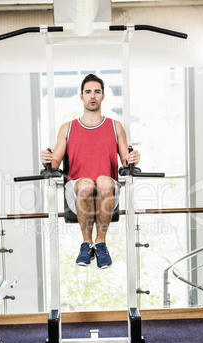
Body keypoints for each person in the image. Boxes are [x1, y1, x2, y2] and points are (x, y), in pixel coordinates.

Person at [41, 74, 140, 269]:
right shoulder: (67, 128)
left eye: (97, 92)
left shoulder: (115, 126)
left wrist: (133, 158)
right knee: (86, 184)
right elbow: (54, 163)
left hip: (108, 188)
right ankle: (86, 244)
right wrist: (46, 158)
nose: (92, 96)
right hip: (76, 188)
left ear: (103, 96)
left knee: (103, 181)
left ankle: (100, 243)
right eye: (88, 92)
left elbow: (126, 159)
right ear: (81, 96)